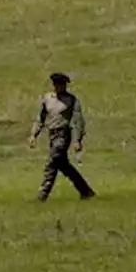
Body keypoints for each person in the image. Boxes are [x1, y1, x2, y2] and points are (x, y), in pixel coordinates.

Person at [30, 73, 96, 201]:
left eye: (62, 85)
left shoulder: (71, 100)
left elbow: (78, 121)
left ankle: (42, 196)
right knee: (64, 166)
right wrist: (34, 134)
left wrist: (77, 140)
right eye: (57, 85)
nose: (60, 87)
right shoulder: (47, 98)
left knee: (52, 162)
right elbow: (40, 118)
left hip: (63, 136)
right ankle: (86, 191)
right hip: (52, 135)